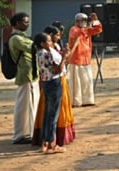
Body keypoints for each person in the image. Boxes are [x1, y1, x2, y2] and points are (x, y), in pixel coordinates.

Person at [33, 25, 76, 148]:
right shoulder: (47, 54)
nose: (51, 43)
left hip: (46, 83)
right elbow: (58, 69)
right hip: (53, 83)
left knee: (47, 113)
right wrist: (65, 57)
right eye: (49, 41)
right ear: (42, 43)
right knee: (53, 115)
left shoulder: (40, 53)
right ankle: (52, 143)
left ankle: (45, 141)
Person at [9, 12, 39, 144]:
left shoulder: (23, 36)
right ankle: (22, 134)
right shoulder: (16, 38)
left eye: (27, 22)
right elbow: (32, 47)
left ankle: (27, 132)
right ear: (16, 24)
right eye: (24, 22)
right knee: (26, 105)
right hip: (25, 75)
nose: (27, 24)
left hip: (30, 74)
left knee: (29, 104)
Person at [67, 12, 103, 107]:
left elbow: (98, 29)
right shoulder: (73, 29)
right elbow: (77, 35)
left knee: (87, 81)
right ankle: (76, 101)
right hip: (76, 60)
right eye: (83, 20)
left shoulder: (87, 30)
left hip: (86, 60)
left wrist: (95, 20)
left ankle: (87, 100)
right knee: (77, 82)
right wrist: (87, 27)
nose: (84, 22)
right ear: (77, 21)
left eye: (85, 20)